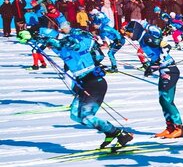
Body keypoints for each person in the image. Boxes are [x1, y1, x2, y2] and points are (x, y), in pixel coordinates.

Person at [42, 19, 134, 150]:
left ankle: (120, 134)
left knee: (86, 117)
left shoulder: (78, 42)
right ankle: (110, 132)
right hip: (84, 84)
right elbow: (53, 43)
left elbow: (76, 42)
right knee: (75, 115)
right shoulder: (61, 48)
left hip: (94, 83)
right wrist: (31, 38)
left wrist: (60, 35)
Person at [124, 21, 183, 138]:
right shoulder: (142, 41)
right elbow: (155, 56)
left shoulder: (147, 38)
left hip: (170, 70)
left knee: (166, 100)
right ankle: (170, 127)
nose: (128, 35)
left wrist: (160, 60)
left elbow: (166, 46)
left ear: (135, 31)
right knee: (163, 100)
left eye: (129, 33)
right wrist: (150, 67)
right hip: (164, 71)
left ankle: (179, 128)